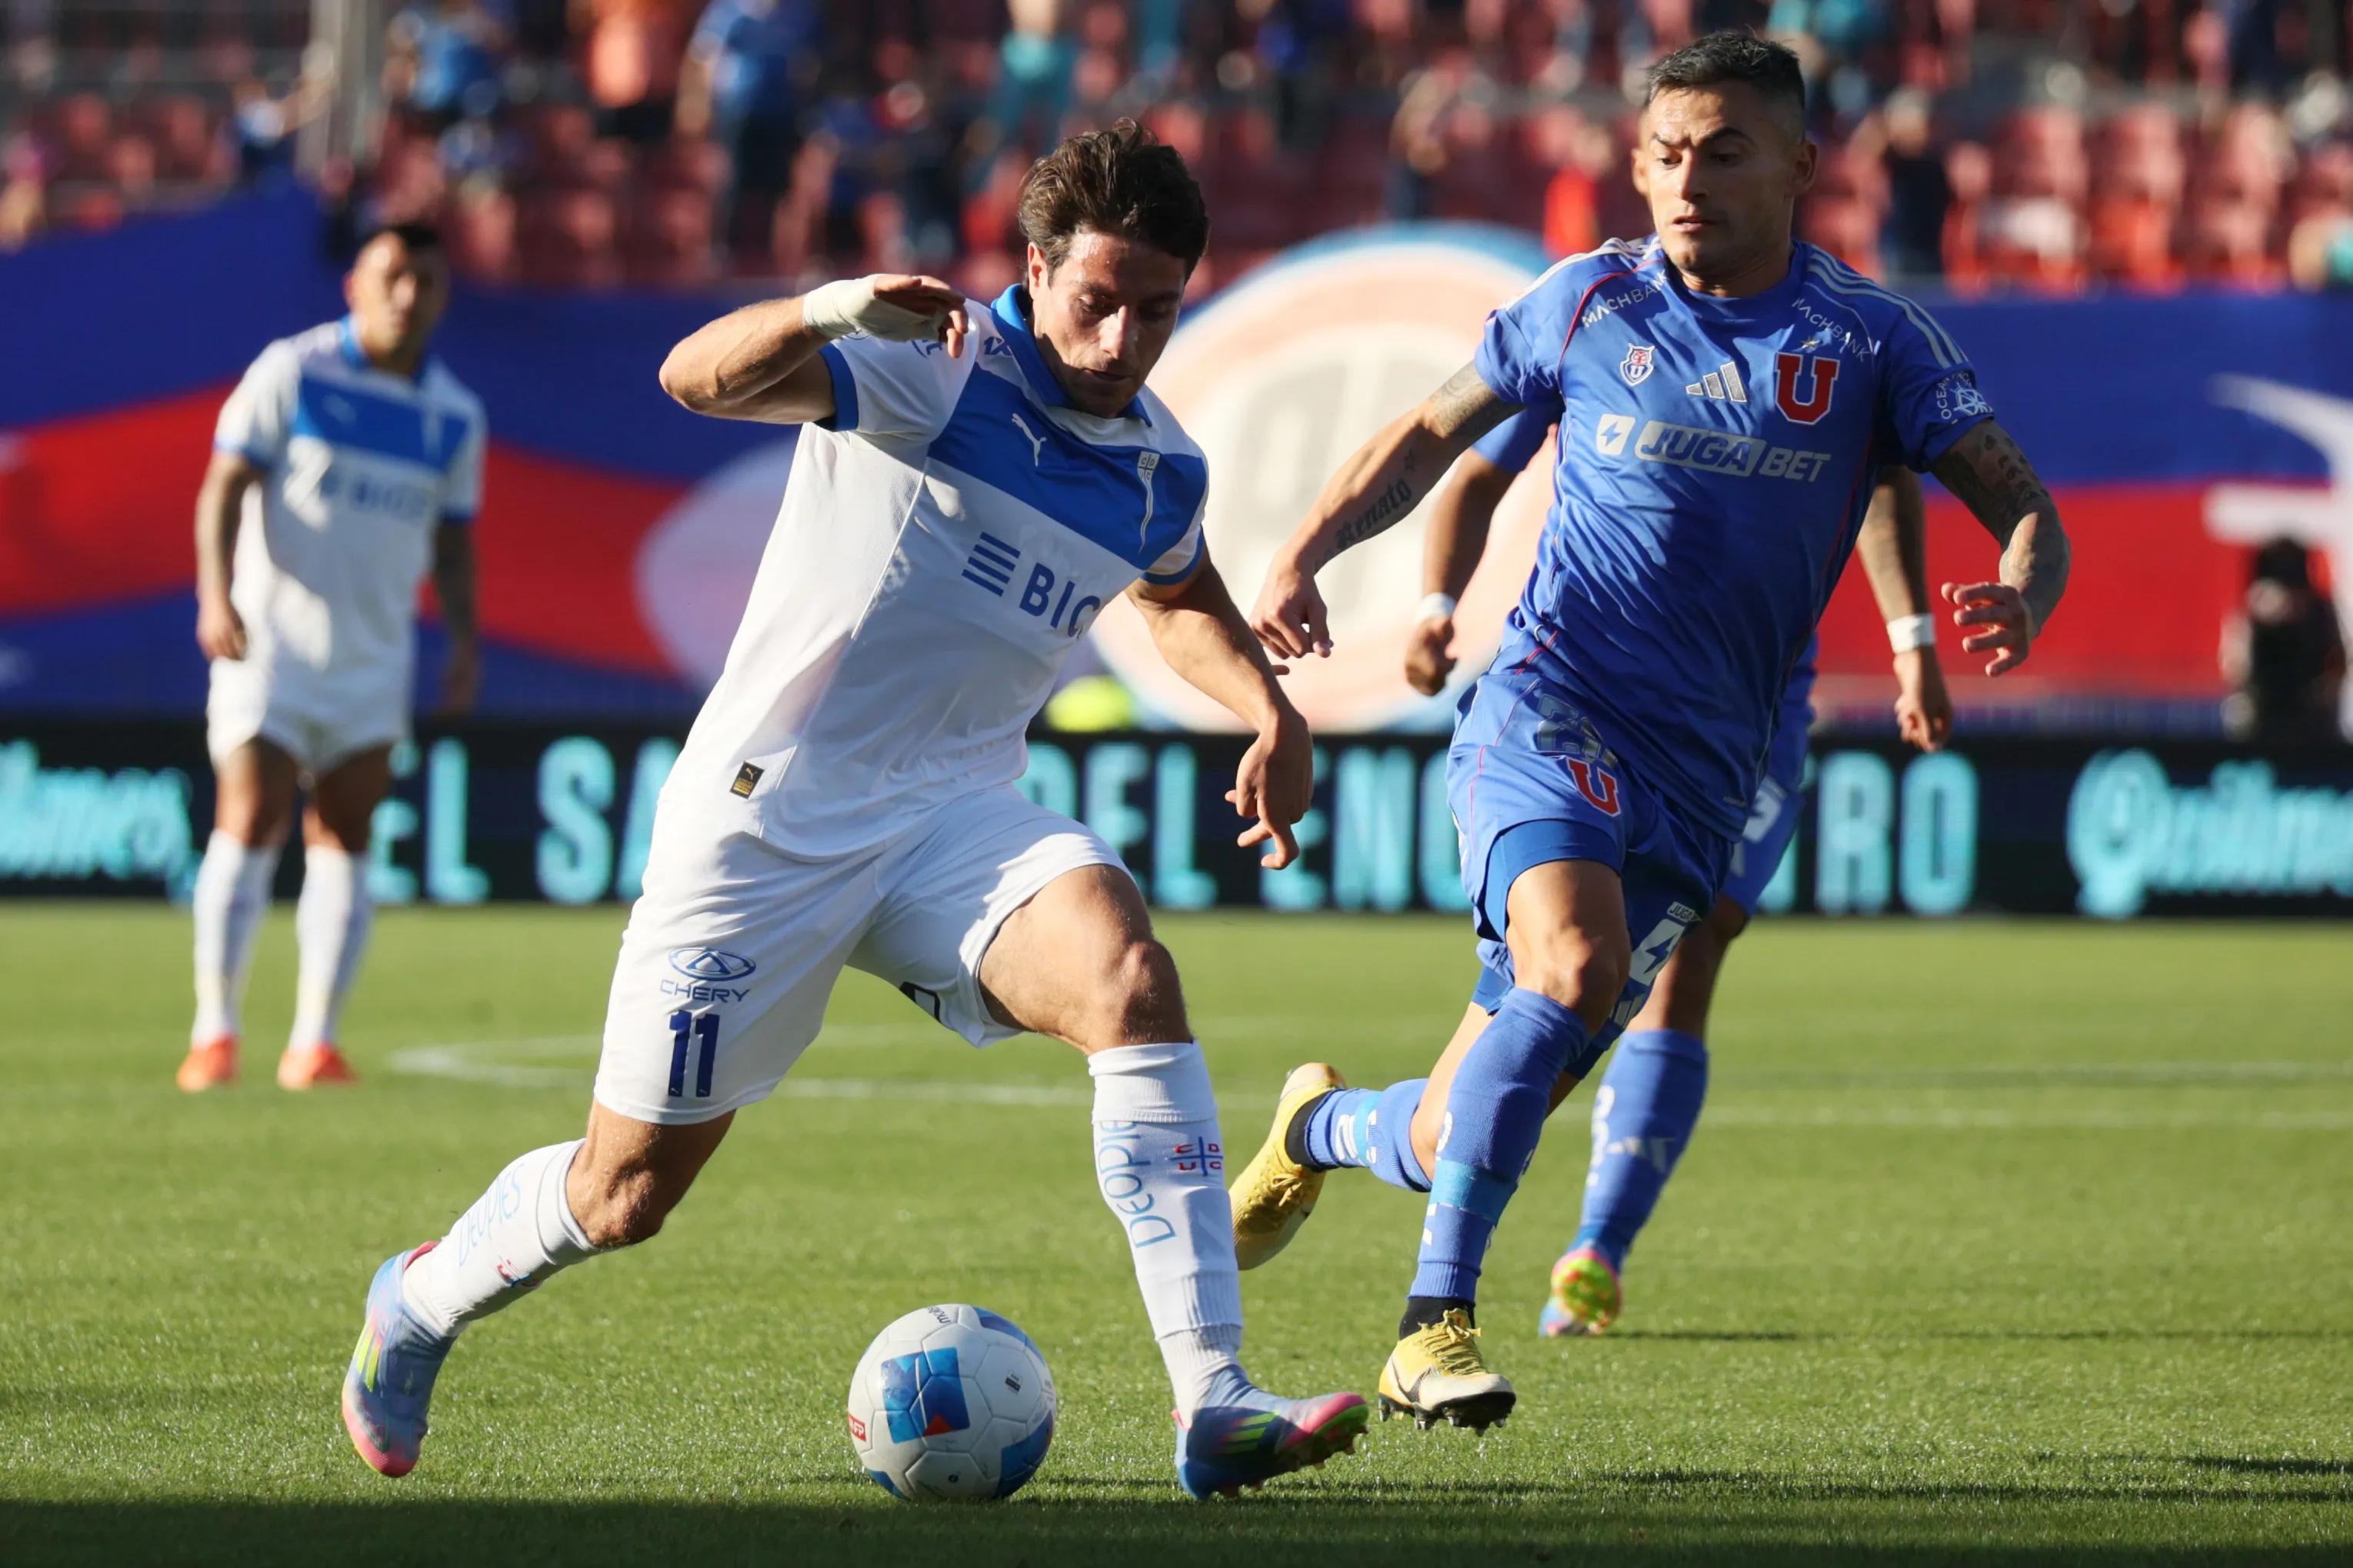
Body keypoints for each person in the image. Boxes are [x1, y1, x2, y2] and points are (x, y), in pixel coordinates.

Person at [337, 122, 1369, 1500]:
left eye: (1157, 309)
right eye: (1097, 299)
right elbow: (689, 377)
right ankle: (416, 1301)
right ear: (1035, 270)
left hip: (953, 815)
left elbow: (1174, 594)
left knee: (1129, 976)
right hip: (767, 822)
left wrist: (1268, 709)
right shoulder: (932, 365)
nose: (1124, 338)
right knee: (623, 1195)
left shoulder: (1156, 466)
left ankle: (1212, 1398)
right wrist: (828, 307)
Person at [1244, 32, 2069, 1432]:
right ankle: (1429, 1323)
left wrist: (2017, 590)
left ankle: (1318, 1124)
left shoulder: (1869, 341)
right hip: (1548, 704)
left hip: (1705, 776)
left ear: (1799, 165)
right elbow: (1432, 437)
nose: (1688, 181)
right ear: (1635, 164)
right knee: (1572, 964)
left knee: (1457, 1122)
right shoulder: (1584, 301)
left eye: (1724, 152)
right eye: (1667, 154)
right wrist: (1305, 550)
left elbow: (2020, 503)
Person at [179, 221, 484, 1095]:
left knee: (346, 836)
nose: (406, 295)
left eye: (424, 280)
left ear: (442, 296)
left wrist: (464, 641)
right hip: (270, 643)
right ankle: (215, 1032)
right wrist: (214, 595)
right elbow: (224, 485)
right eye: (392, 275)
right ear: (355, 284)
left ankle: (314, 1042)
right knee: (251, 816)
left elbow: (453, 543)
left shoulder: (455, 414)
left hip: (373, 656)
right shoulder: (294, 371)